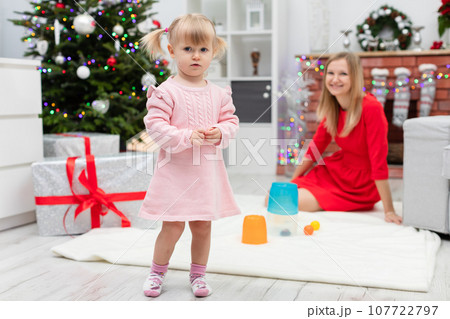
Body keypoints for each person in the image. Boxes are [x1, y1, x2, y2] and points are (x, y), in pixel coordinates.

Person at [138, 13, 240, 298]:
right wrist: (185, 136)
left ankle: (198, 275)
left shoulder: (219, 94)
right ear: (172, 51)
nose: (196, 56)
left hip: (205, 174)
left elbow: (231, 122)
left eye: (203, 50)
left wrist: (220, 131)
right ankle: (157, 272)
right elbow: (155, 126)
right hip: (175, 173)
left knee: (202, 226)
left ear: (213, 51)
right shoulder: (166, 92)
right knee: (171, 227)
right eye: (188, 49)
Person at [271, 52, 402, 225]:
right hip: (337, 171)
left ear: (355, 77)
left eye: (343, 74)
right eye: (331, 73)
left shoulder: (371, 108)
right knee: (272, 198)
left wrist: (389, 210)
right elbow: (315, 149)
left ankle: (326, 200)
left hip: (360, 184)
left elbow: (378, 161)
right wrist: (293, 182)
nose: (335, 79)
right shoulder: (333, 107)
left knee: (283, 203)